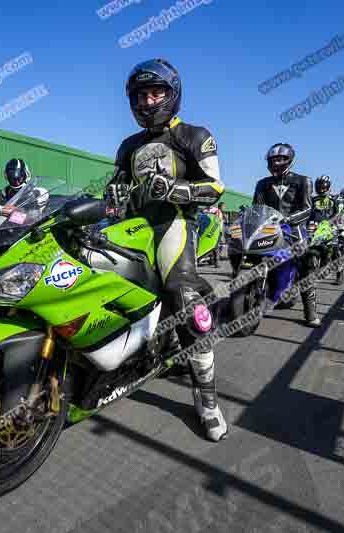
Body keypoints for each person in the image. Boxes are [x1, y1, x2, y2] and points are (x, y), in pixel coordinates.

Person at [105, 58, 228, 442]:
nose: (148, 101)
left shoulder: (194, 135)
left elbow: (216, 187)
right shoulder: (128, 146)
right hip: (134, 227)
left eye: (156, 92)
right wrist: (109, 198)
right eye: (141, 94)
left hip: (175, 222)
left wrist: (177, 190)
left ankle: (207, 398)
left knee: (181, 291)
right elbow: (115, 189)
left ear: (173, 95)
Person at [251, 143, 320, 326]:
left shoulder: (303, 180)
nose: (277, 162)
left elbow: (307, 208)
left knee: (307, 265)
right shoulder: (262, 184)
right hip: (268, 230)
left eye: (281, 159)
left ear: (290, 160)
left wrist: (287, 220)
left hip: (295, 230)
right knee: (252, 257)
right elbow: (256, 208)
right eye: (273, 159)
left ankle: (310, 312)